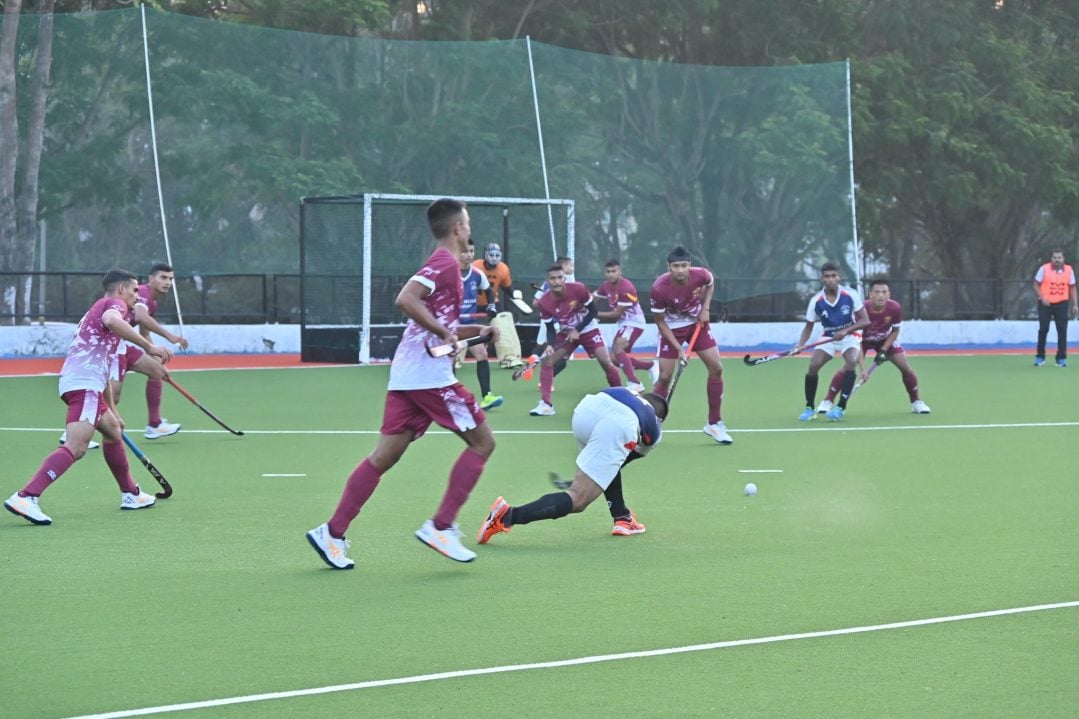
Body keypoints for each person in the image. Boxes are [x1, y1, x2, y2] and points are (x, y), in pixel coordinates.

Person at [306, 198, 500, 570]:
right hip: (429, 377)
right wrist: (443, 330)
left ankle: (331, 533)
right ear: (458, 228)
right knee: (483, 442)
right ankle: (441, 526)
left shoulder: (448, 268)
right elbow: (406, 300)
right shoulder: (443, 262)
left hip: (408, 377)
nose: (470, 228)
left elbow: (437, 320)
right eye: (469, 222)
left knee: (384, 456)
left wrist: (476, 331)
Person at [5, 269, 174, 526]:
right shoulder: (112, 305)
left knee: (113, 431)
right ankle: (26, 496)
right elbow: (112, 318)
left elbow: (103, 369)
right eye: (134, 291)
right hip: (84, 385)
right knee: (77, 447)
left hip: (85, 383)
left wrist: (114, 411)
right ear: (121, 290)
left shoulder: (99, 315)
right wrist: (149, 346)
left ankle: (131, 493)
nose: (137, 296)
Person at [478, 388, 667, 543]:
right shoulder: (655, 430)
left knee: (608, 461)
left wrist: (594, 472)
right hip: (618, 424)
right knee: (578, 499)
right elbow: (623, 459)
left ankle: (623, 518)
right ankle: (507, 516)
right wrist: (592, 477)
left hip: (586, 411)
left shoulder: (630, 392)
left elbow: (612, 463)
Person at [649, 245, 732, 444]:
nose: (680, 270)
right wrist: (679, 350)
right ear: (669, 267)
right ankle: (652, 424)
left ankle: (714, 423)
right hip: (671, 328)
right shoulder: (659, 288)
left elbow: (710, 283)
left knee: (716, 368)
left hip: (697, 325)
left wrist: (705, 308)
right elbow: (660, 322)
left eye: (684, 266)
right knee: (665, 377)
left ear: (690, 266)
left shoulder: (701, 275)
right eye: (675, 266)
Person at [818, 278, 931, 414]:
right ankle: (828, 401)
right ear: (870, 294)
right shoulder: (860, 309)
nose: (881, 295)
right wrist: (863, 369)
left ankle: (916, 402)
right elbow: (856, 340)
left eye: (884, 292)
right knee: (849, 366)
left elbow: (895, 331)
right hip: (861, 340)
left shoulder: (895, 308)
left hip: (884, 339)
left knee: (905, 367)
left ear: (889, 294)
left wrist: (883, 350)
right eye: (877, 292)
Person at [528, 263, 622, 416]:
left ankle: (622, 398)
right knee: (548, 361)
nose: (557, 281)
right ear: (548, 281)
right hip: (565, 332)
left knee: (605, 360)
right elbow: (550, 328)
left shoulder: (578, 289)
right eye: (553, 279)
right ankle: (546, 405)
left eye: (560, 278)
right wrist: (550, 345)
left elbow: (593, 311)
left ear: (564, 278)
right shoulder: (544, 302)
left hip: (588, 327)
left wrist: (578, 329)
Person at [795, 262, 869, 422]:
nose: (830, 279)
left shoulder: (851, 295)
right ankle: (809, 408)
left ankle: (841, 407)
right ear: (822, 279)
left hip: (850, 335)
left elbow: (865, 320)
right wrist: (799, 345)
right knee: (813, 365)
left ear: (839, 277)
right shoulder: (816, 301)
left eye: (833, 276)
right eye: (827, 276)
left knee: (851, 361)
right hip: (828, 337)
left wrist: (845, 331)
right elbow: (808, 327)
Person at [595, 258, 659, 392]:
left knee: (618, 348)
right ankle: (650, 365)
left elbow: (616, 314)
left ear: (619, 271)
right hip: (624, 323)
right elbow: (594, 296)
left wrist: (594, 314)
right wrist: (581, 301)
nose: (611, 274)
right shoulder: (606, 285)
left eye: (614, 271)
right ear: (605, 273)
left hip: (634, 322)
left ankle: (635, 382)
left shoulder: (626, 287)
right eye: (608, 272)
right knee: (613, 358)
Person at [459, 239, 503, 410]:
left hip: (470, 324)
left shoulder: (477, 274)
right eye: (465, 251)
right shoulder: (449, 273)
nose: (469, 255)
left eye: (471, 251)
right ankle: (448, 399)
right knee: (449, 361)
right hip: (452, 325)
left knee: (481, 354)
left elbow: (489, 292)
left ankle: (487, 397)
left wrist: (491, 305)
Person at [1032, 249, 1077, 367]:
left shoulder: (1069, 270)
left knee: (1062, 331)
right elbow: (1036, 284)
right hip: (1045, 304)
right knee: (1043, 329)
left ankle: (1061, 358)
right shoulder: (1044, 269)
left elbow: (1072, 287)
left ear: (1063, 259)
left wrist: (1075, 304)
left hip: (1062, 304)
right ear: (1051, 259)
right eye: (1055, 257)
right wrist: (1042, 297)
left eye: (1059, 257)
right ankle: (1040, 356)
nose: (1057, 260)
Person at [473, 242, 513, 311]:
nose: (494, 258)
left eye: (497, 255)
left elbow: (507, 288)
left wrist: (515, 295)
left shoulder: (503, 269)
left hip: (492, 302)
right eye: (491, 255)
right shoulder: (475, 266)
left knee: (503, 319)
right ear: (485, 255)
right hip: (474, 302)